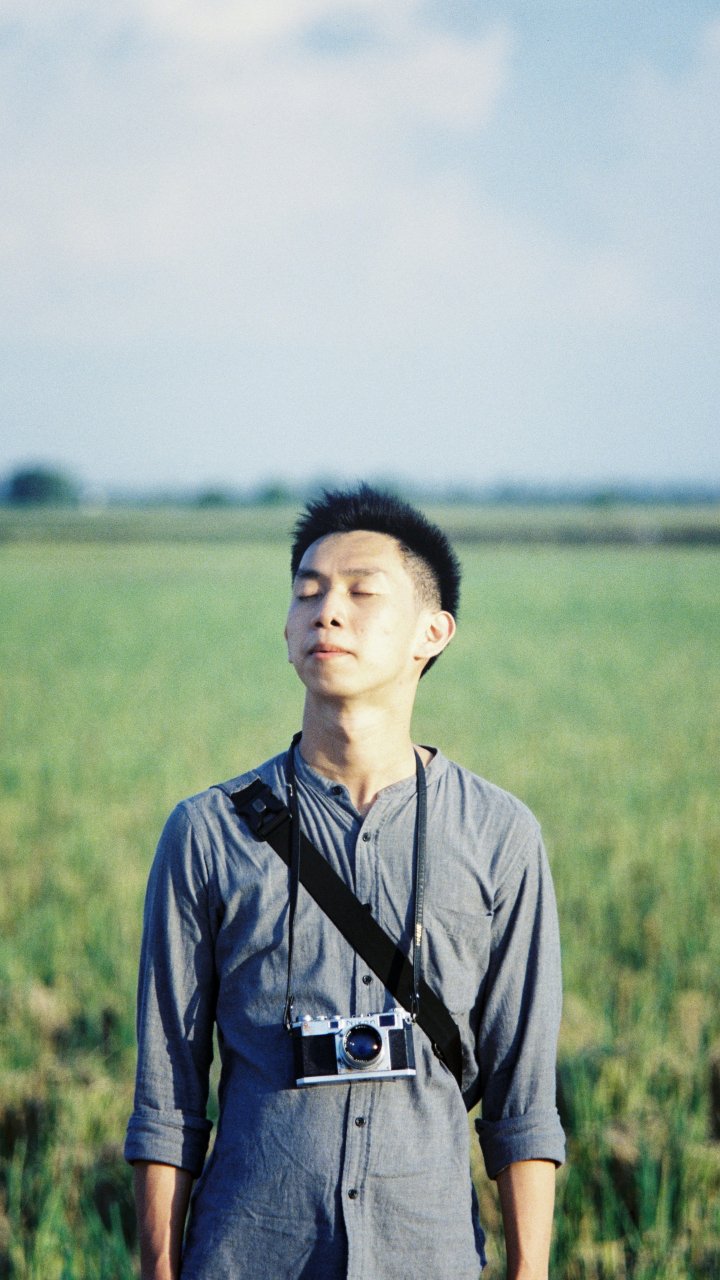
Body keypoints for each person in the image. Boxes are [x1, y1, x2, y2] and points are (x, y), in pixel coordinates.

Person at [125, 484, 565, 1280]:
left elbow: (523, 1102)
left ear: (432, 633)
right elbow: (167, 1100)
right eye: (307, 592)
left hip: (427, 1254)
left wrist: (529, 1271)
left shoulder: (500, 835)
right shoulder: (207, 832)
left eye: (363, 593)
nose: (326, 612)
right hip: (247, 1253)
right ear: (287, 627)